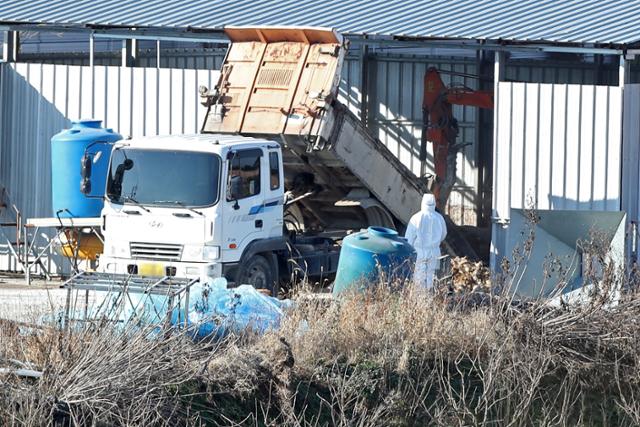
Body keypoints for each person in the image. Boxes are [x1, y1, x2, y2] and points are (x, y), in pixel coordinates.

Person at [405, 193, 447, 289]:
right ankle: (431, 299)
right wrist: (436, 242)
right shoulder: (439, 218)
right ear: (434, 204)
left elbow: (409, 238)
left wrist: (410, 251)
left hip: (420, 251)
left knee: (419, 277)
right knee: (433, 277)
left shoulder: (415, 218)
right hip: (435, 251)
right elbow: (444, 234)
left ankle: (420, 301)